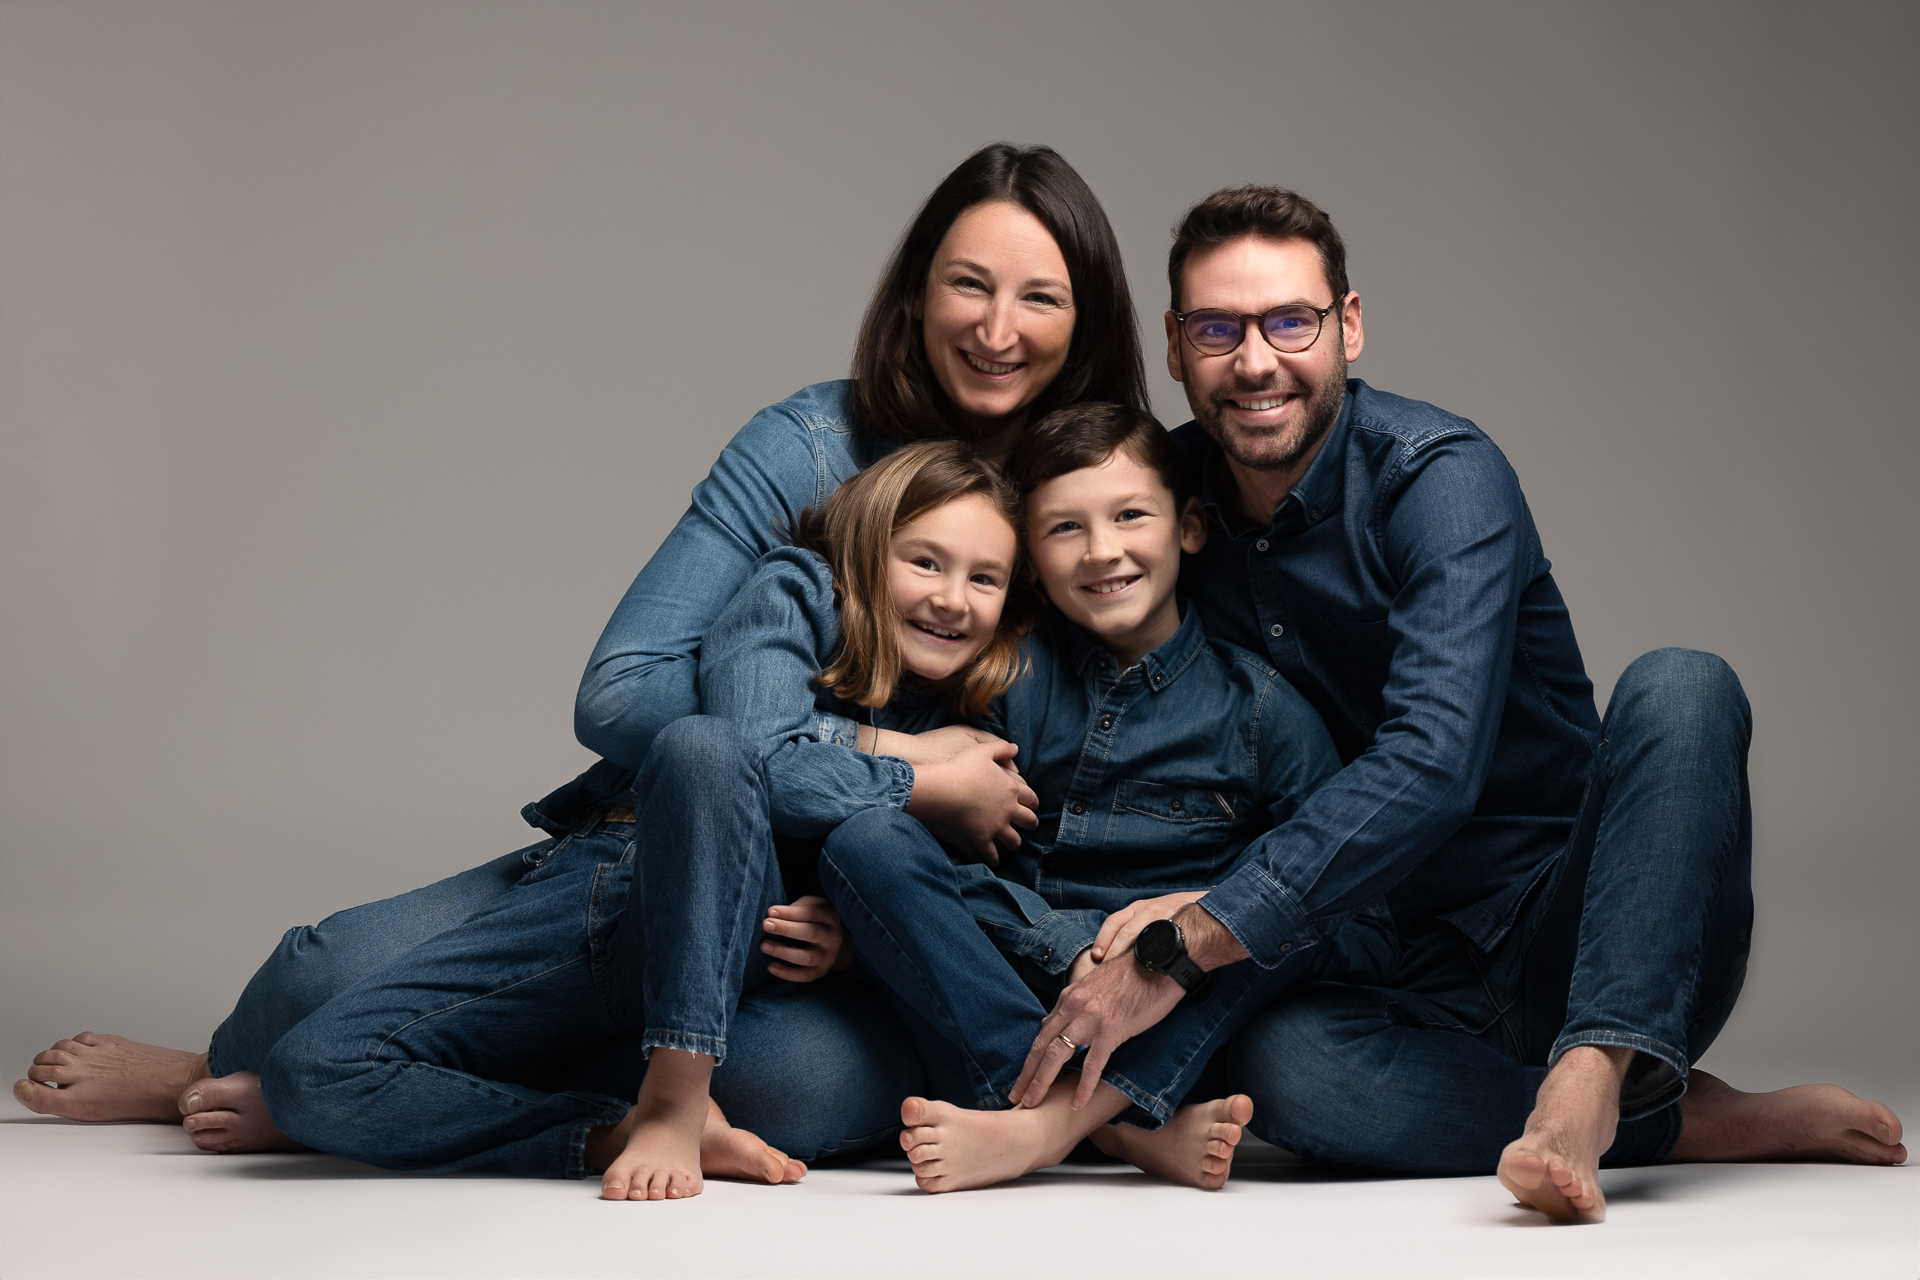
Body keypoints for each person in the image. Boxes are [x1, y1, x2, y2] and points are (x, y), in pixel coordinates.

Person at [12, 141, 1149, 1179]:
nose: (997, 326)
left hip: (841, 912)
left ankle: (476, 1093)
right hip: (666, 848)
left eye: (1039, 295)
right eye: (969, 283)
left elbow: (1084, 772)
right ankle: (238, 1073)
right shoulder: (809, 448)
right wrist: (902, 762)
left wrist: (880, 907)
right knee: (311, 981)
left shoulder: (1096, 500)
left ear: (1085, 317)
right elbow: (625, 693)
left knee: (791, 1085)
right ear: (917, 293)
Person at [1003, 185, 1905, 1222]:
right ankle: (1672, 1118)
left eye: (1289, 320)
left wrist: (1196, 931)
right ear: (1175, 345)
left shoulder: (1440, 476)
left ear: (1347, 324)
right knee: (1289, 1079)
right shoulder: (1162, 507)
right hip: (1378, 958)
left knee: (1684, 684)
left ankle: (1595, 1064)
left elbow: (1434, 761)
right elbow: (1044, 610)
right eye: (1218, 328)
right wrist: (893, 756)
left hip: (1582, 925)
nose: (1255, 360)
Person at [818, 401, 1360, 1193]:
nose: (1103, 551)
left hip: (1177, 1008)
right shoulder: (1008, 680)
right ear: (1031, 559)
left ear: (1191, 527)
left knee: (1284, 908)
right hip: (1015, 986)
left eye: (1130, 515)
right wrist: (1068, 947)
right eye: (1065, 528)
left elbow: (1363, 924)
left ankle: (1048, 1124)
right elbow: (940, 864)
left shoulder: (1263, 713)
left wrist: (1197, 923)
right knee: (864, 839)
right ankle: (1116, 1128)